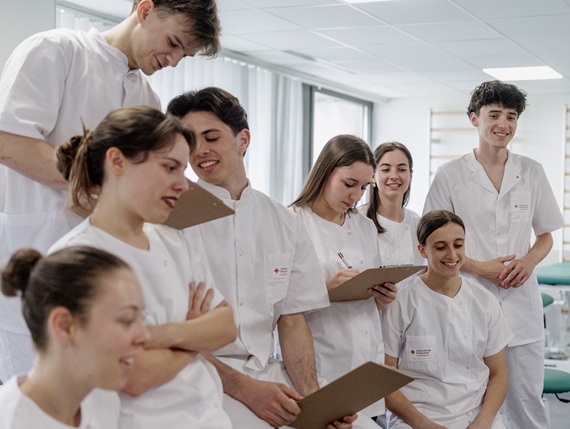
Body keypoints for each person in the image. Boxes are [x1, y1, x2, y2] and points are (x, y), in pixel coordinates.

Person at [0, 0, 221, 379]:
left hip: (102, 276)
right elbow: (8, 141)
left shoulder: (148, 101)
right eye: (172, 43)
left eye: (183, 55)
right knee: (39, 386)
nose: (172, 61)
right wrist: (102, 183)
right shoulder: (57, 51)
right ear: (145, 9)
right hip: (37, 254)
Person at [168, 87, 360, 429]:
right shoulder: (169, 220)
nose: (200, 151)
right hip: (201, 377)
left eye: (211, 137)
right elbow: (168, 333)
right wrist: (245, 389)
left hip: (267, 373)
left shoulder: (284, 222)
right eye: (190, 141)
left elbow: (292, 320)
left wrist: (315, 401)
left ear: (243, 140)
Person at [49, 106, 236, 429]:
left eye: (183, 171)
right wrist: (194, 338)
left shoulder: (174, 242)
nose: (183, 185)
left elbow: (227, 326)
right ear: (117, 161)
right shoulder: (76, 259)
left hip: (210, 418)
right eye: (170, 168)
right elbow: (134, 376)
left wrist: (164, 335)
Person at [423, 80, 564, 429]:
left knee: (528, 402)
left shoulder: (531, 171)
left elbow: (545, 235)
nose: (503, 124)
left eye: (511, 116)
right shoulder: (451, 175)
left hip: (520, 306)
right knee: (466, 403)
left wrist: (529, 261)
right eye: (494, 115)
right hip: (467, 300)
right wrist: (478, 267)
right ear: (474, 119)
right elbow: (432, 241)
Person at [290, 134, 397, 427]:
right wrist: (325, 290)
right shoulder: (293, 222)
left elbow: (369, 295)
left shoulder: (364, 226)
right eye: (349, 184)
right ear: (325, 172)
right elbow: (279, 305)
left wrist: (381, 296)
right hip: (321, 362)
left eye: (363, 187)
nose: (356, 196)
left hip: (365, 360)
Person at [381, 210, 513, 429]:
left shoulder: (484, 300)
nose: (452, 255)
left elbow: (499, 374)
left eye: (458, 245)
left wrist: (483, 421)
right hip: (416, 417)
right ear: (422, 250)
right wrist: (425, 425)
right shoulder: (400, 302)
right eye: (441, 247)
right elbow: (385, 381)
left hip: (475, 413)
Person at [0, 245, 149, 428]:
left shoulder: (101, 398)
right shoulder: (13, 422)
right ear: (65, 326)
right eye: (127, 320)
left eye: (141, 317)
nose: (144, 336)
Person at [360, 142, 423, 266]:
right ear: (373, 176)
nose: (394, 176)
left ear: (410, 176)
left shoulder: (417, 223)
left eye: (402, 170)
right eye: (386, 170)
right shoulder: (358, 220)